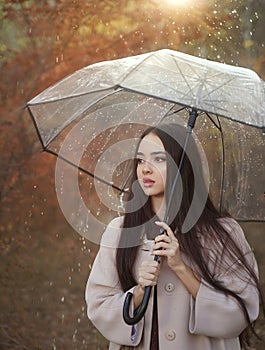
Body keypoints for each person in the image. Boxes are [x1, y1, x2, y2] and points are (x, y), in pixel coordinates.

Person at [85, 123, 263, 350]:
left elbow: (243, 311)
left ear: (183, 167)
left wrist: (181, 268)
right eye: (140, 160)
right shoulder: (119, 232)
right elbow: (99, 306)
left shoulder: (223, 233)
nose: (145, 169)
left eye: (158, 159)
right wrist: (139, 291)